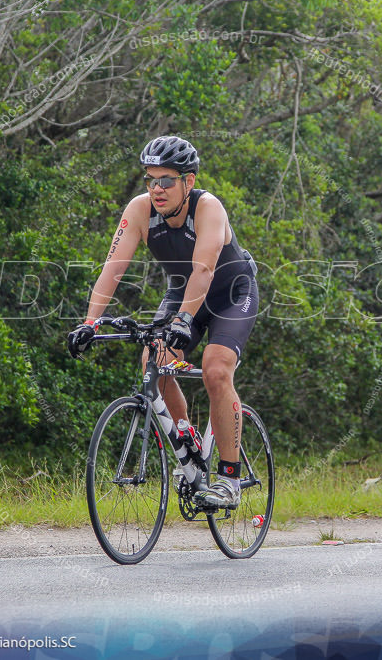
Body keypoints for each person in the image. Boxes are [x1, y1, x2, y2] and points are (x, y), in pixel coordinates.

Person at [66, 136, 259, 509]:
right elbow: (113, 270)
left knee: (215, 370)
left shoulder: (208, 208)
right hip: (183, 291)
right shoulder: (140, 210)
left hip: (231, 293)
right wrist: (90, 322)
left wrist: (185, 319)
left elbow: (204, 268)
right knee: (153, 359)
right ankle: (186, 438)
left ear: (188, 181)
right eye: (150, 179)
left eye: (166, 180)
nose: (157, 188)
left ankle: (229, 479)